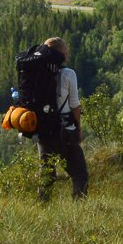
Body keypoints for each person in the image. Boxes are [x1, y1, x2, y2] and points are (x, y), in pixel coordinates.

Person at [36, 36, 87, 200]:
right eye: (66, 49)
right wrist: (78, 129)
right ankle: (79, 206)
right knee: (79, 172)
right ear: (61, 53)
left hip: (42, 129)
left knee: (47, 172)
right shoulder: (68, 74)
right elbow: (74, 105)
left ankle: (41, 205)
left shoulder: (36, 73)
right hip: (64, 129)